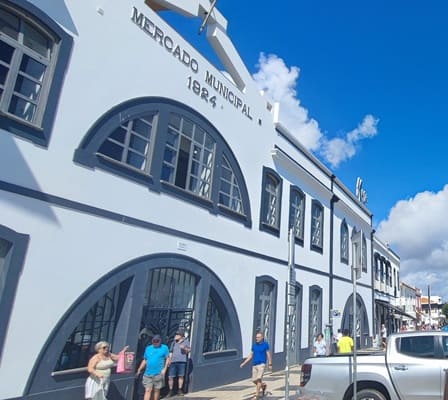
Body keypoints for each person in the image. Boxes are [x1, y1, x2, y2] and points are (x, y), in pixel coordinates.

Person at [136, 334, 170, 400]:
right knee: (148, 390)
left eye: (157, 341)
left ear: (160, 341)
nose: (155, 342)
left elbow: (167, 358)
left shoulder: (164, 348)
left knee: (156, 390)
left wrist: (165, 369)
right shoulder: (148, 348)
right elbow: (145, 360)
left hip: (158, 373)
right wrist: (139, 369)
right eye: (154, 341)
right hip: (148, 373)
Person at [240, 332, 272, 400]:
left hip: (262, 364)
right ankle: (263, 386)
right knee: (254, 380)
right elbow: (251, 355)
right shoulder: (254, 345)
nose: (256, 338)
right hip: (255, 365)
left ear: (262, 338)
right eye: (256, 337)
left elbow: (268, 354)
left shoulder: (265, 345)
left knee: (259, 379)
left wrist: (270, 363)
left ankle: (256, 396)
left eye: (258, 337)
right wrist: (244, 363)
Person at [167, 329, 191, 397]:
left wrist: (184, 348)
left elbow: (189, 350)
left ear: (181, 336)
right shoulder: (173, 342)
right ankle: (170, 390)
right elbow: (171, 352)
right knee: (170, 377)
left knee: (181, 376)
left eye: (177, 334)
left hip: (182, 361)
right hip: (173, 361)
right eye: (176, 334)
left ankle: (180, 389)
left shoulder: (186, 342)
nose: (176, 336)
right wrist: (169, 360)